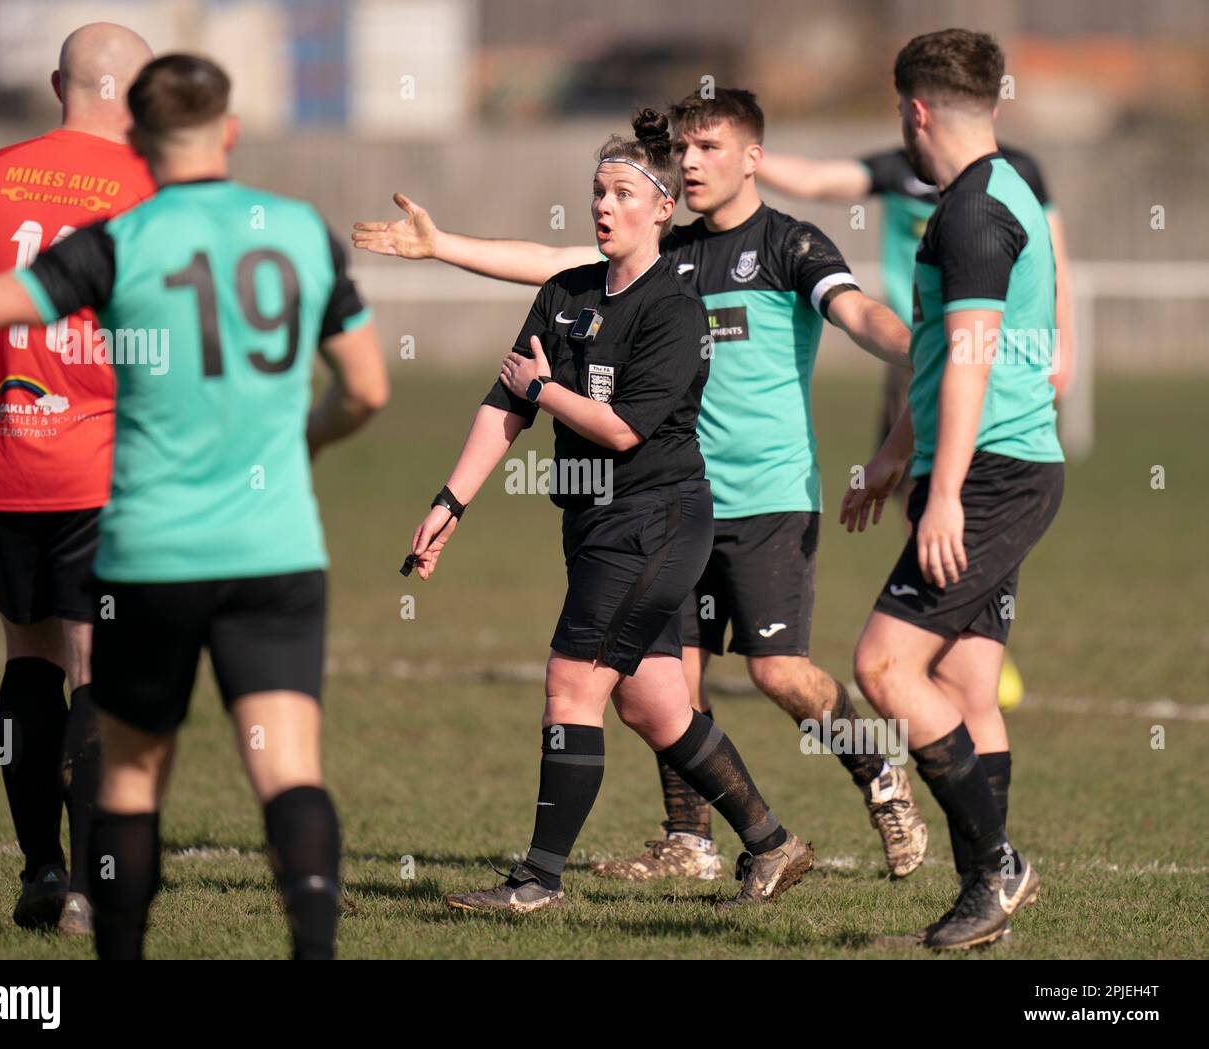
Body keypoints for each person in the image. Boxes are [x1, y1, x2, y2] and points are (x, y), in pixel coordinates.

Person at [354, 89, 927, 882]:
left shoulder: (791, 245)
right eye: (683, 150)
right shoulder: (671, 250)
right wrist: (442, 244)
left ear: (752, 158)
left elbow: (859, 314)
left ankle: (880, 774)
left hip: (762, 496)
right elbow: (559, 269)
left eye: (709, 149)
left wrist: (926, 350)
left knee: (778, 674)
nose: (690, 163)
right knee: (665, 686)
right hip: (665, 500)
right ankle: (693, 841)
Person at [0, 54, 388, 960]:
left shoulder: (118, 240)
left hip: (150, 547)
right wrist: (309, 439)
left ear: (138, 136)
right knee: (288, 764)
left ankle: (108, 936)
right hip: (273, 544)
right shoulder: (296, 230)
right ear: (232, 133)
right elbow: (366, 389)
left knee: (128, 777)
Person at [410, 109, 813, 913]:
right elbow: (506, 404)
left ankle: (535, 882)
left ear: (663, 208)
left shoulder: (673, 308)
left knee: (571, 685)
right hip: (593, 521)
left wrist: (543, 388)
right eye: (596, 190)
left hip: (655, 522)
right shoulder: (565, 293)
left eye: (623, 192)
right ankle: (772, 844)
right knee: (654, 701)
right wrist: (451, 500)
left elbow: (622, 426)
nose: (603, 205)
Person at [0, 22, 154, 934]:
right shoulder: (154, 193)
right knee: (99, 670)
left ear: (59, 83)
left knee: (26, 659)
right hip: (103, 469)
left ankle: (40, 868)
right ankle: (91, 895)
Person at [839, 29, 1064, 950]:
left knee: (886, 668)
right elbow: (941, 355)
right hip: (998, 466)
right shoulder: (1006, 188)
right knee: (969, 681)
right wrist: (897, 451)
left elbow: (970, 362)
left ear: (916, 110)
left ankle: (992, 871)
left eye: (900, 112)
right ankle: (999, 890)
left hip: (991, 475)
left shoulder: (971, 215)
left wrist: (944, 495)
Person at [758, 131, 1073, 716]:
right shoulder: (901, 168)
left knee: (958, 502)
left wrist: (1065, 345)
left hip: (975, 362)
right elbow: (816, 180)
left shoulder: (1011, 179)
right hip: (915, 361)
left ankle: (963, 629)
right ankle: (946, 625)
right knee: (914, 501)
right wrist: (745, 156)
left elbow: (1055, 261)